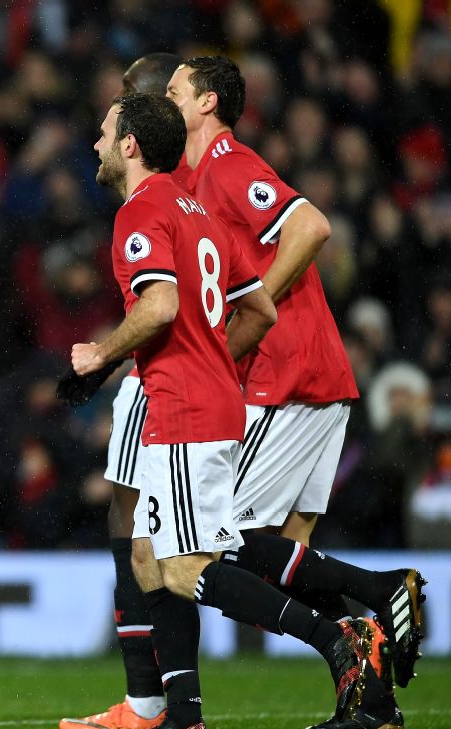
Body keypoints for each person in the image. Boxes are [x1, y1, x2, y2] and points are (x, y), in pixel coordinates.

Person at [73, 93, 393, 729]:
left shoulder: (142, 214)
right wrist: (213, 359)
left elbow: (160, 306)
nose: (96, 144)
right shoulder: (197, 209)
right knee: (150, 559)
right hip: (202, 401)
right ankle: (183, 717)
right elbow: (260, 309)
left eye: (105, 133)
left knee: (187, 566)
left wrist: (100, 355)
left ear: (131, 145)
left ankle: (340, 641)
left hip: (187, 409)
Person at [170, 54, 422, 707]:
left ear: (206, 103)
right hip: (312, 377)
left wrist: (251, 303)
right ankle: (373, 702)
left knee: (222, 544)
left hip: (285, 373)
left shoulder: (229, 164)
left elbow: (311, 226)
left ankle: (380, 587)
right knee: (281, 565)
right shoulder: (195, 178)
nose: (165, 100)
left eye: (173, 91)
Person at [58, 52, 184, 729]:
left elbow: (167, 302)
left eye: (128, 97)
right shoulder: (182, 188)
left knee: (167, 542)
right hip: (175, 370)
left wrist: (107, 352)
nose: (114, 108)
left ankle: (341, 628)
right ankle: (160, 702)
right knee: (172, 539)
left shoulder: (160, 193)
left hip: (178, 378)